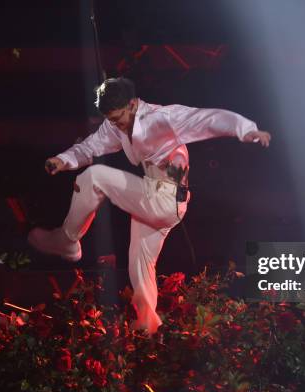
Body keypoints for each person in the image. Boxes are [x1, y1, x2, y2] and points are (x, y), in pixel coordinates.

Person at [28, 77, 270, 334]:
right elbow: (90, 146)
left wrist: (247, 130)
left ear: (133, 104)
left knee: (94, 177)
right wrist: (62, 160)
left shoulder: (162, 117)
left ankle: (67, 239)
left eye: (119, 116)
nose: (117, 124)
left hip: (165, 197)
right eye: (111, 119)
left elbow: (207, 119)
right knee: (140, 263)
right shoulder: (115, 126)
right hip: (156, 198)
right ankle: (148, 325)